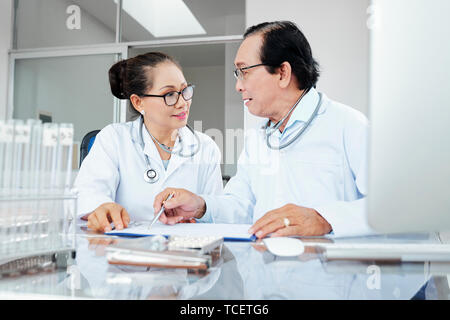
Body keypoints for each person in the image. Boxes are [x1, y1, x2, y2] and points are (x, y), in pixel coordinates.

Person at [153, 21, 374, 238]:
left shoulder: (348, 125)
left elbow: (392, 206)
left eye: (244, 71)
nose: (238, 86)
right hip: (263, 268)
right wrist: (200, 206)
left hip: (328, 272)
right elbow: (242, 206)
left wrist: (324, 218)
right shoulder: (257, 138)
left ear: (282, 73)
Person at [74, 52, 223, 233]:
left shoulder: (206, 147)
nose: (183, 102)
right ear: (138, 102)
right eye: (169, 94)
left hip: (183, 254)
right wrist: (101, 207)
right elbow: (87, 195)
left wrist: (200, 216)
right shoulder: (114, 139)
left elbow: (215, 211)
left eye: (184, 91)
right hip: (125, 252)